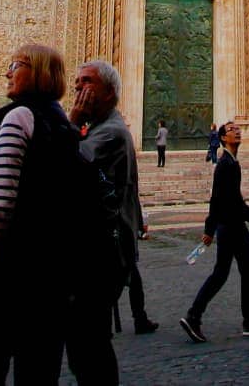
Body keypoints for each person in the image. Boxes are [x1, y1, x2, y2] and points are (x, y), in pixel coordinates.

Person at [0, 44, 84, 385]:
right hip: (51, 273)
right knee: (39, 369)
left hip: (8, 271)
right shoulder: (63, 124)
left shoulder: (16, 117)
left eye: (16, 64)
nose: (8, 72)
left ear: (40, 73)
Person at [69, 58, 160, 374]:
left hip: (102, 251)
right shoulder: (102, 128)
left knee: (88, 343)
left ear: (109, 92)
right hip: (105, 247)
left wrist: (72, 120)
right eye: (77, 82)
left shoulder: (110, 133)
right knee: (89, 341)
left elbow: (67, 165)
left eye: (86, 82)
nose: (77, 88)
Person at [179, 122, 249, 343]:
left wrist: (211, 229)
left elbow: (221, 198)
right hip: (233, 227)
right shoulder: (226, 164)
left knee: (221, 274)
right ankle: (248, 320)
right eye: (231, 130)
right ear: (222, 138)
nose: (237, 131)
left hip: (228, 227)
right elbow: (222, 198)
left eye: (238, 129)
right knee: (245, 274)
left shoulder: (229, 161)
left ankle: (195, 316)